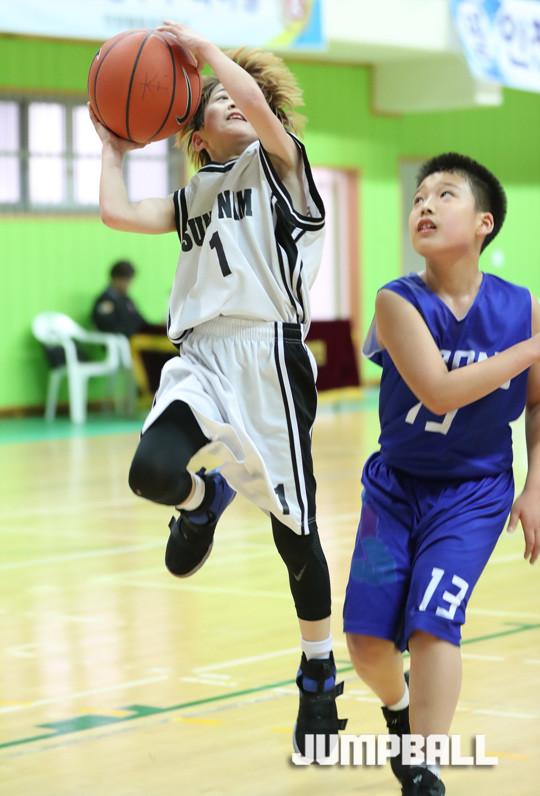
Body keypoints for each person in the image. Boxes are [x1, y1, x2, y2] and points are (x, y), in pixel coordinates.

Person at [90, 20, 346, 755]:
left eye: (249, 98)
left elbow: (258, 109)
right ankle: (202, 503)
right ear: (195, 136)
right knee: (150, 472)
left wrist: (208, 56)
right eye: (219, 100)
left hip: (268, 360)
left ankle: (319, 676)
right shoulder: (194, 194)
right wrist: (112, 148)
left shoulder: (282, 168)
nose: (238, 101)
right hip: (201, 357)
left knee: (295, 534)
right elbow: (116, 212)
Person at [343, 152, 540, 795]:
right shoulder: (396, 301)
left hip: (474, 495)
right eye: (418, 197)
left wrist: (536, 487)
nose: (424, 204)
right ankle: (400, 709)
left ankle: (424, 770)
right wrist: (532, 349)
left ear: (484, 223)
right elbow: (438, 392)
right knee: (366, 643)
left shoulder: (521, 307)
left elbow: (537, 404)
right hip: (393, 492)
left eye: (444, 194)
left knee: (434, 623)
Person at [91, 259, 147, 337]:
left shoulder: (128, 301)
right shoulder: (105, 300)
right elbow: (104, 325)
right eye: (127, 281)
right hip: (121, 341)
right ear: (116, 279)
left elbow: (142, 323)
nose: (130, 285)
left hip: (138, 339)